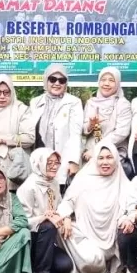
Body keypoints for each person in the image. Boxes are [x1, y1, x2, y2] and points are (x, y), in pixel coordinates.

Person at [55, 142, 127, 273]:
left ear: (116, 159)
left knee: (96, 259)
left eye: (109, 157)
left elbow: (130, 210)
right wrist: (67, 217)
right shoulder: (83, 178)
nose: (105, 162)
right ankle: (86, 261)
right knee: (92, 259)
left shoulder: (123, 183)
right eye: (101, 158)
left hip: (111, 240)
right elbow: (68, 201)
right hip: (83, 233)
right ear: (95, 160)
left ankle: (99, 261)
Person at [16, 149, 74, 273]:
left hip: (48, 240)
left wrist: (65, 217)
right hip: (31, 239)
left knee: (65, 266)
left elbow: (59, 205)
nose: (54, 167)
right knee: (48, 225)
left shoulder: (52, 183)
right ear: (38, 164)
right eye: (49, 163)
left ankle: (41, 265)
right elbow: (22, 221)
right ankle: (40, 272)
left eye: (57, 163)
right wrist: (43, 217)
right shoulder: (28, 187)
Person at [30, 64, 83, 193]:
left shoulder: (74, 102)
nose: (57, 83)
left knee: (61, 199)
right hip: (41, 162)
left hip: (62, 161)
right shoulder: (35, 102)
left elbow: (76, 134)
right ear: (46, 80)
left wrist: (73, 161)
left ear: (66, 83)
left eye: (62, 80)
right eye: (52, 79)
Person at [0, 74, 35, 191]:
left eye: (6, 92)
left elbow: (30, 138)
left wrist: (3, 140)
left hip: (13, 170)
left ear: (12, 93)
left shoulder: (21, 110)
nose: (2, 96)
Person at [82, 67, 132, 163]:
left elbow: (121, 132)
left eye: (111, 80)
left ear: (117, 83)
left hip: (112, 155)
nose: (106, 84)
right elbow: (83, 130)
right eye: (103, 80)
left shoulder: (123, 104)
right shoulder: (91, 102)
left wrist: (97, 149)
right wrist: (90, 125)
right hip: (89, 156)